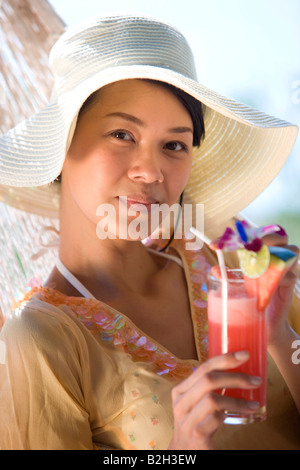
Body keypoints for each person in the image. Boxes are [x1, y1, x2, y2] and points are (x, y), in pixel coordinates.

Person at [0, 14, 299, 451]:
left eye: (174, 144)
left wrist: (280, 335)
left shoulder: (232, 270)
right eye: (122, 134)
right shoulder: (40, 344)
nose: (151, 171)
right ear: (62, 149)